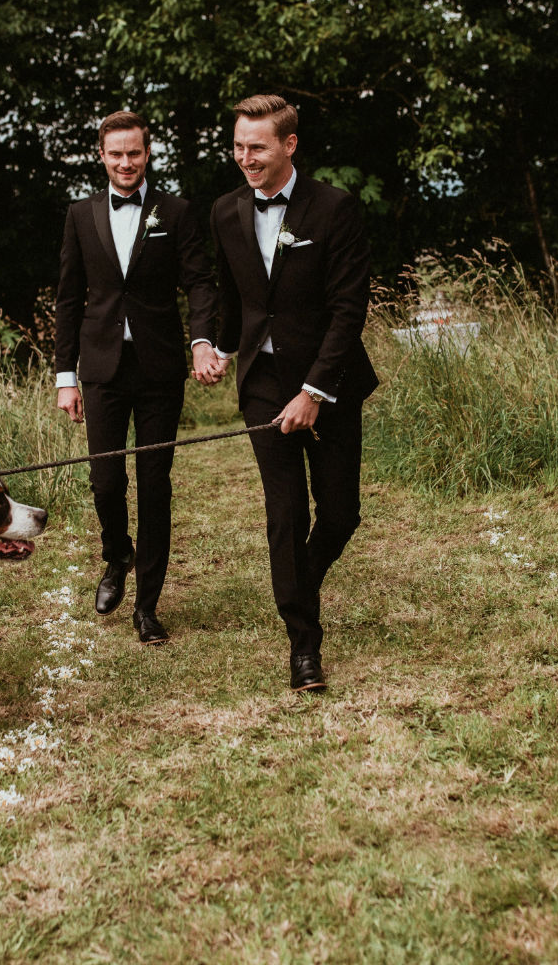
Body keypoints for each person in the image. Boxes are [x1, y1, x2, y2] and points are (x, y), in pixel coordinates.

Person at [207, 94, 378, 692]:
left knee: (340, 514)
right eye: (237, 146)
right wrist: (215, 346)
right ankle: (303, 643)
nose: (245, 158)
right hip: (262, 385)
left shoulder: (334, 209)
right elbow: (234, 298)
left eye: (256, 146)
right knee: (285, 512)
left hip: (328, 383)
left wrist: (314, 392)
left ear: (289, 145)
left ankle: (299, 582)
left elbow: (348, 309)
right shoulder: (226, 211)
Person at [55, 110, 221, 644]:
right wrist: (65, 377)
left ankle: (147, 605)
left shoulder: (176, 211)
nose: (126, 163)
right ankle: (116, 553)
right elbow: (68, 299)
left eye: (135, 153)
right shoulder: (81, 215)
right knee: (106, 480)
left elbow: (199, 283)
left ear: (148, 155)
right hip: (100, 368)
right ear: (101, 156)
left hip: (158, 369)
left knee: (154, 484)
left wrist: (202, 343)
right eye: (116, 154)